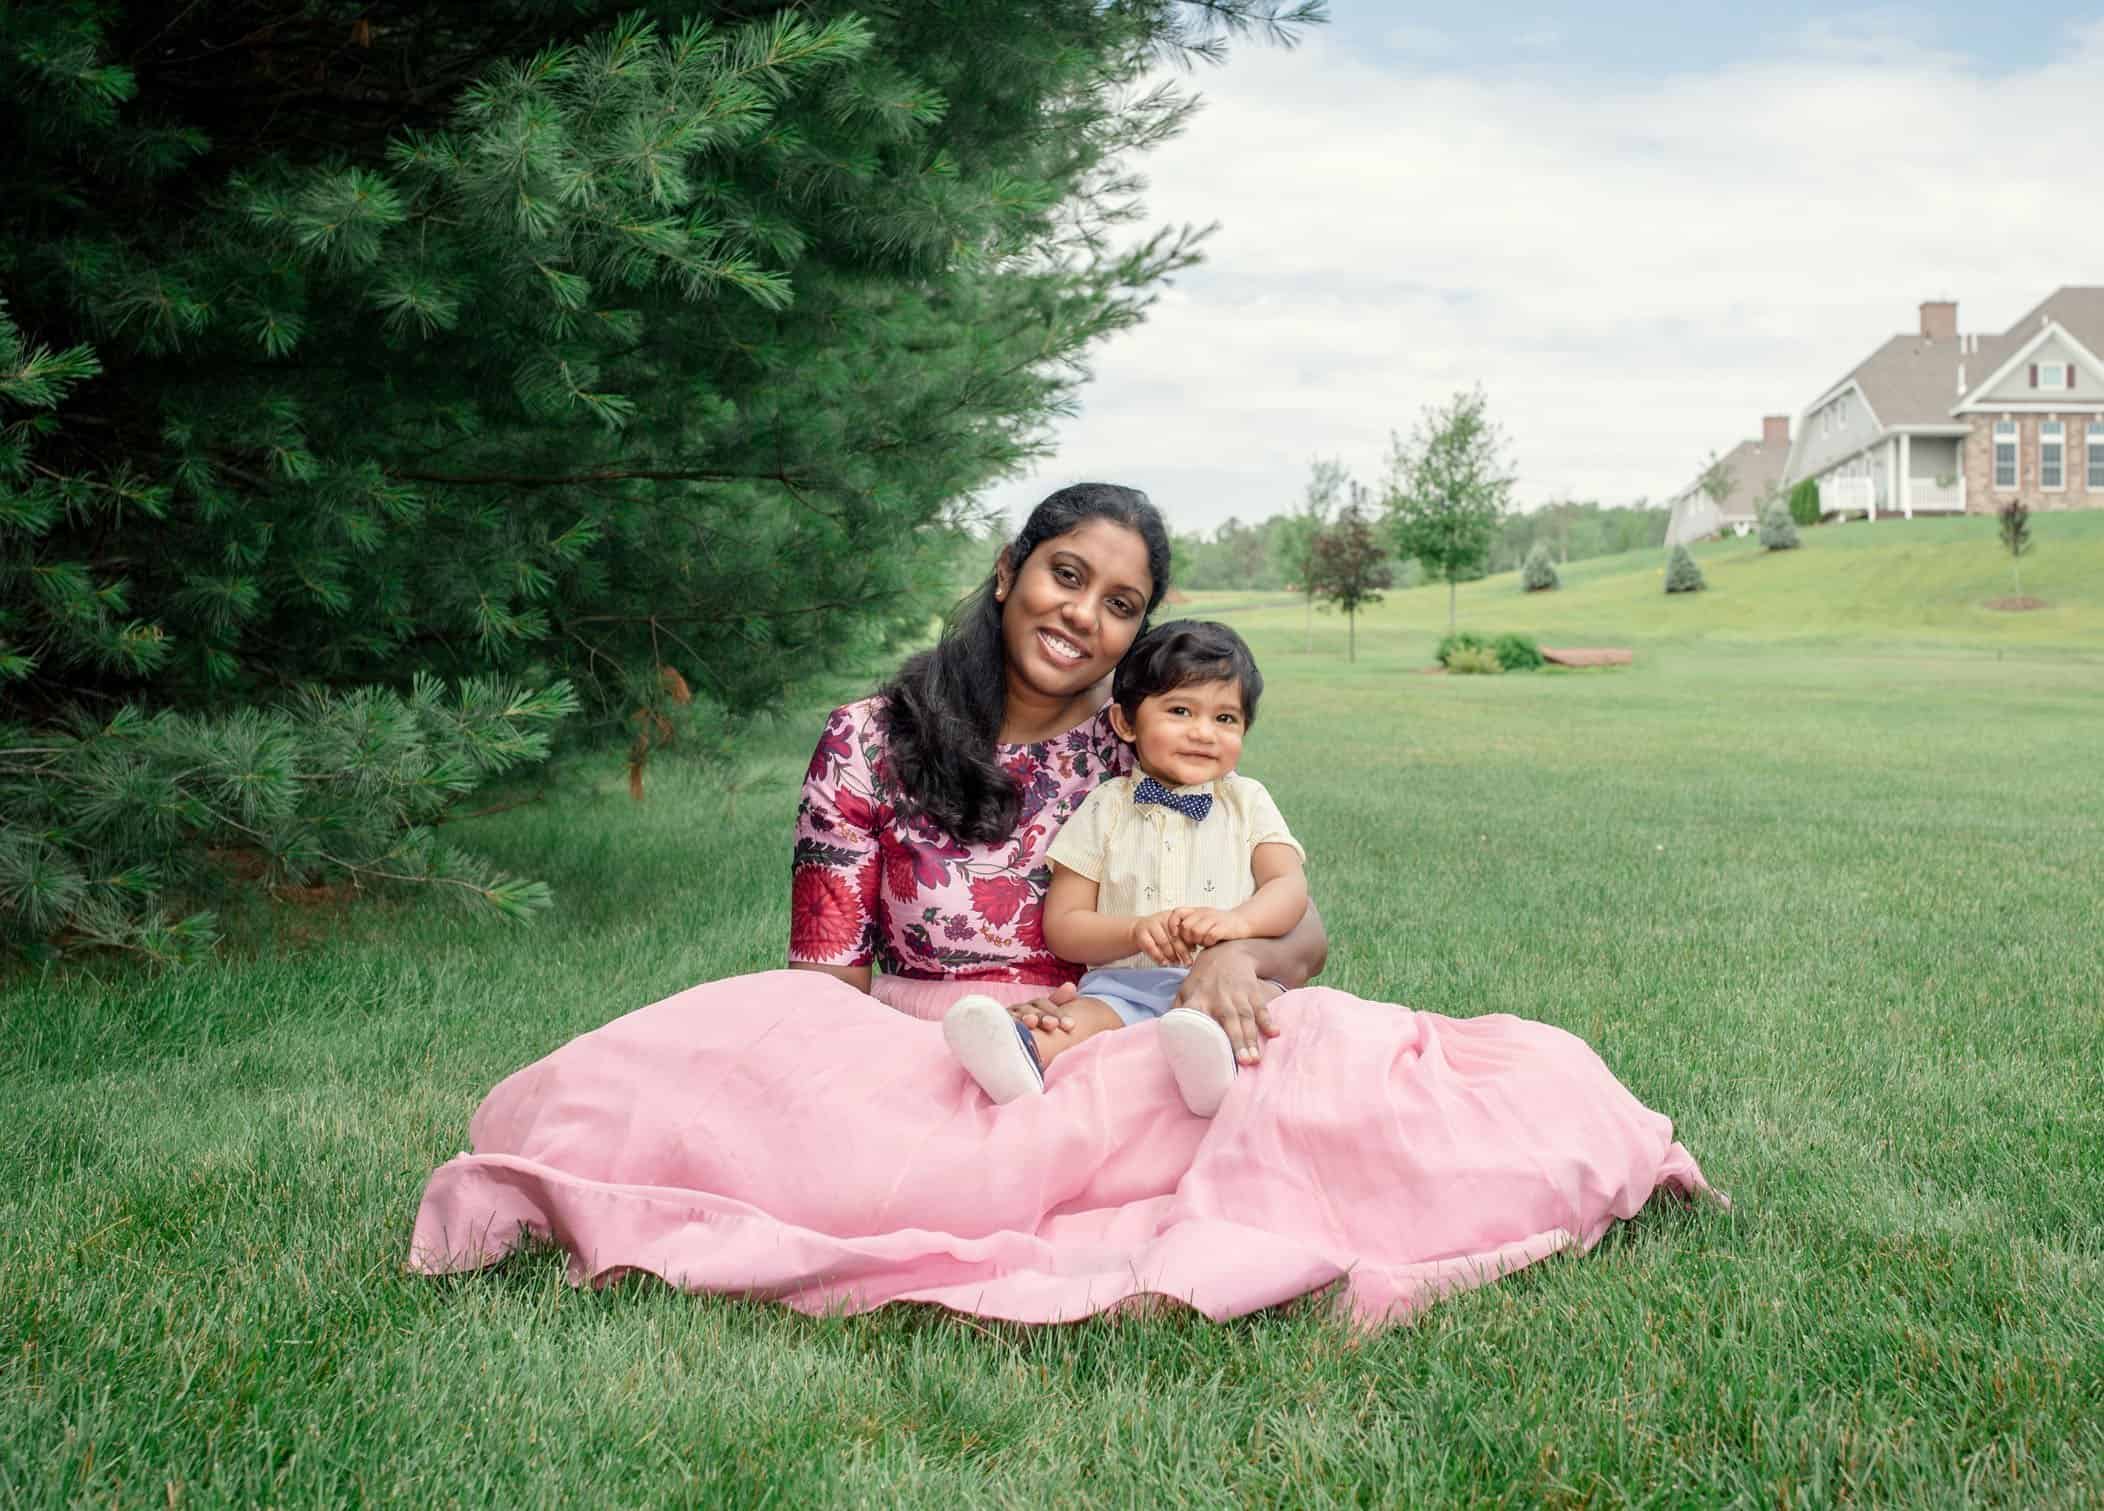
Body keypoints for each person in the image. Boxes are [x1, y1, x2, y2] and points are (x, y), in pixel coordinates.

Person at [788, 483, 1326, 1056]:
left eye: (1120, 606)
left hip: (1122, 1041)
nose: (1083, 614)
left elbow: (1304, 930)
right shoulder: (868, 740)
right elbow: (826, 983)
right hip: (925, 1045)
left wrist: (1234, 956)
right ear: (1007, 571)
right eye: (1067, 575)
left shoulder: (1147, 741)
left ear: (1135, 636)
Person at [941, 620, 1306, 1115]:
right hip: (1123, 988)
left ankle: (1214, 1068)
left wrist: (1239, 924)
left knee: (1259, 1015)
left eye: (1226, 718)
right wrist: (1134, 931)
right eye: (1180, 711)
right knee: (1076, 1020)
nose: (1204, 733)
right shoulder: (1104, 807)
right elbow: (1065, 926)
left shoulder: (1247, 800)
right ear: (1126, 723)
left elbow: (1287, 884)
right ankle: (1018, 1053)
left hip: (1225, 982)